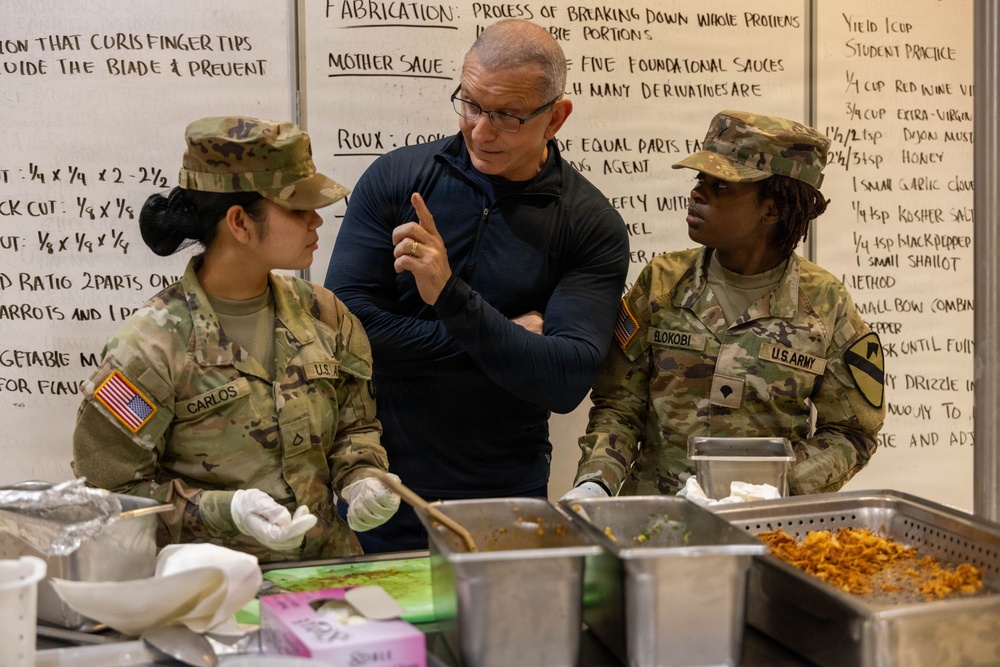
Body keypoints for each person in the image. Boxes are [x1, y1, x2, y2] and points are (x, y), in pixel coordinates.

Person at [325, 18, 630, 552]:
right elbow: (347, 331)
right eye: (470, 104)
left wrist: (449, 296)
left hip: (505, 496)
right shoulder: (397, 179)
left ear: (556, 118)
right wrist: (507, 338)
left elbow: (563, 381)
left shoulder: (588, 222)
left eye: (508, 117)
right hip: (376, 482)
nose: (481, 131)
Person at [72, 116, 400, 562]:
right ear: (240, 223)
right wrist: (224, 511)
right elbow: (109, 500)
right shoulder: (150, 350)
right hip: (213, 592)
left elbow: (354, 427)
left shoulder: (324, 315)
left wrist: (362, 477)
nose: (317, 221)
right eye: (297, 209)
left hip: (327, 575)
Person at [562, 110, 885, 501]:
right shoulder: (663, 284)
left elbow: (852, 434)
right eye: (701, 179)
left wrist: (771, 488)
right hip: (658, 520)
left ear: (773, 209)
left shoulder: (824, 303)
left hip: (763, 526)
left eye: (723, 186)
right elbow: (618, 405)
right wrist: (596, 481)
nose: (699, 193)